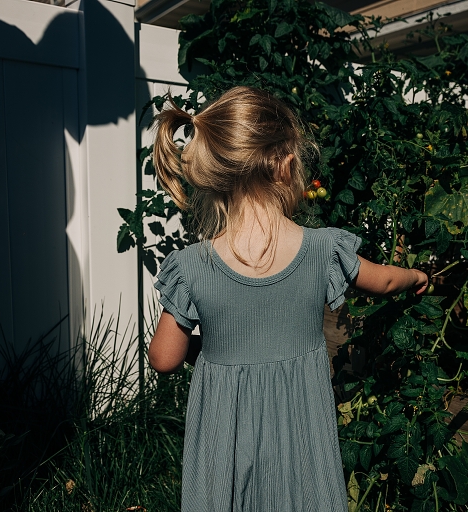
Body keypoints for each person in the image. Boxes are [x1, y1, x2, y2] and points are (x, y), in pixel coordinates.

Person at [148, 86, 428, 512]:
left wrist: (215, 353)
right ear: (285, 162)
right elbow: (386, 281)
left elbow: (164, 358)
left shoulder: (192, 267)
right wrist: (416, 276)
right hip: (302, 435)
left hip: (227, 436)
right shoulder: (322, 249)